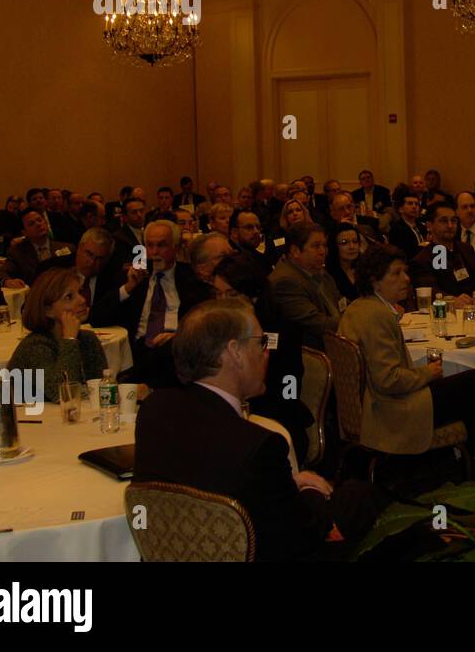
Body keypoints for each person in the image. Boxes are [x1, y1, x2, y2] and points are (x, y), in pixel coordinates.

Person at [134, 300, 377, 561]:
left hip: (175, 550)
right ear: (235, 352)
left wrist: (287, 484)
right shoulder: (258, 444)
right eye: (260, 343)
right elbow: (300, 535)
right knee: (364, 501)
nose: (266, 353)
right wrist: (309, 492)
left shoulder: (154, 410)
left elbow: (212, 482)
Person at [339, 244, 475, 458]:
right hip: (392, 410)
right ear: (375, 281)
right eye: (396, 273)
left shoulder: (357, 307)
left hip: (376, 404)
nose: (406, 279)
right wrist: (427, 373)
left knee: (472, 389)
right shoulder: (377, 316)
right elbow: (388, 380)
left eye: (405, 271)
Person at [212, 256, 312, 464]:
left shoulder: (283, 331)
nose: (223, 302)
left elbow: (290, 386)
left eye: (232, 294)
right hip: (227, 417)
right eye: (218, 294)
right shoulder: (213, 331)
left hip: (276, 413)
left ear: (254, 296)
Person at [96, 220, 212, 382]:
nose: (154, 252)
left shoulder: (191, 278)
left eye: (161, 245)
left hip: (176, 348)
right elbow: (97, 317)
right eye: (150, 246)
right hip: (139, 349)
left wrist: (179, 336)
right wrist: (127, 288)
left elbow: (205, 323)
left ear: (176, 248)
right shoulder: (134, 276)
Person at [7, 268, 106, 404]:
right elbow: (61, 394)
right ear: (48, 311)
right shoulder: (34, 347)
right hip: (31, 420)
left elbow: (102, 390)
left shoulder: (88, 339)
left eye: (80, 292)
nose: (82, 300)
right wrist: (69, 340)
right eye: (69, 297)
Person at [268, 222, 342, 351]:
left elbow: (341, 303)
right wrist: (355, 322)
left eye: (324, 245)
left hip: (334, 343)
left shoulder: (319, 271)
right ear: (295, 251)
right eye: (316, 246)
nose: (323, 251)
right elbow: (317, 323)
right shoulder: (285, 282)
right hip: (309, 356)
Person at [409, 200, 475, 307]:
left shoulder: (466, 249)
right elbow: (431, 293)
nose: (450, 226)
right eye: (443, 221)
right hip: (446, 316)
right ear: (429, 225)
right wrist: (452, 301)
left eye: (453, 221)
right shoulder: (422, 260)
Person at [43, 227, 114, 327]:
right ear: (79, 247)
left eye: (99, 258)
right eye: (89, 254)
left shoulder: (112, 277)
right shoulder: (52, 269)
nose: (92, 262)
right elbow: (33, 307)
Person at [1, 209, 70, 286]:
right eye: (31, 223)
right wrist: (7, 281)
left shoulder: (67, 247)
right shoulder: (17, 253)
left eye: (39, 220)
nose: (38, 224)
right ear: (24, 232)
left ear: (46, 223)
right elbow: (3, 273)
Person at [327, 223, 366, 307]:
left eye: (355, 242)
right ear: (335, 246)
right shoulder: (328, 275)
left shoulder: (364, 268)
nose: (352, 247)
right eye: (344, 243)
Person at [387, 184, 426, 261]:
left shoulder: (421, 226)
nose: (414, 207)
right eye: (410, 203)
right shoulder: (397, 229)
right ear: (401, 209)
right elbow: (402, 255)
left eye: (416, 204)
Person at [229, 209, 272, 278]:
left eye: (258, 227)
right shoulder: (229, 261)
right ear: (235, 232)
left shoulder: (260, 257)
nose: (256, 231)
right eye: (249, 227)